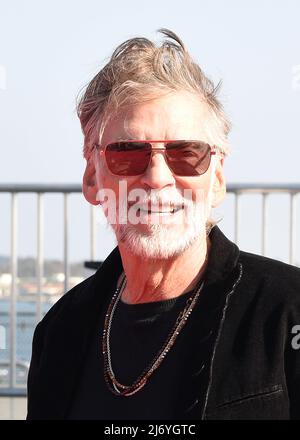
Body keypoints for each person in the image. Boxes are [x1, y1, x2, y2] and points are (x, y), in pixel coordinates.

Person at [27, 29, 300, 420]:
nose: (157, 178)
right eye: (127, 152)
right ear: (92, 179)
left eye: (186, 153)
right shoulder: (61, 331)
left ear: (217, 178)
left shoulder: (287, 312)